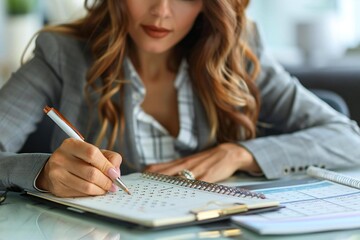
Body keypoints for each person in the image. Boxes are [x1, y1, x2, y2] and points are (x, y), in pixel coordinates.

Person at [1, 0, 360, 198]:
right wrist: (43, 173)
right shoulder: (62, 53)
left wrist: (239, 153)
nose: (161, 11)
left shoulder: (239, 51)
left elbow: (348, 139)